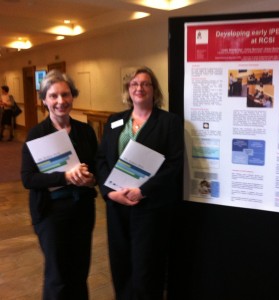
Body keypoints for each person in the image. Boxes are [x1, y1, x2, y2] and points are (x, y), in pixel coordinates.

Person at [96, 66, 184, 300]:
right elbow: (102, 159)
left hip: (150, 207)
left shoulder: (169, 122)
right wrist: (108, 193)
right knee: (121, 265)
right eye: (134, 84)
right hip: (117, 207)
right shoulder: (115, 121)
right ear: (128, 89)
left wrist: (142, 191)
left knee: (148, 268)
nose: (139, 88)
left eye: (145, 83)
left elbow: (174, 164)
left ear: (154, 90)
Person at [20, 70, 98, 299]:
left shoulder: (85, 131)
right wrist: (64, 177)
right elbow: (28, 178)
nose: (60, 101)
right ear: (44, 100)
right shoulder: (37, 133)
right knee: (58, 275)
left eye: (65, 95)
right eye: (53, 96)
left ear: (73, 96)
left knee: (80, 272)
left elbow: (96, 168)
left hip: (82, 210)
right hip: (51, 213)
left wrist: (91, 178)